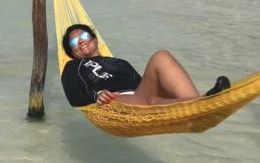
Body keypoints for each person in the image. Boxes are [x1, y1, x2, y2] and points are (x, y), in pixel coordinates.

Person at [61, 23, 230, 107]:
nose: (81, 41)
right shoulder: (73, 67)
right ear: (73, 52)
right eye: (74, 41)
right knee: (150, 100)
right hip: (113, 102)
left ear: (95, 40)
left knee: (161, 56)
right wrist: (95, 96)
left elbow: (141, 84)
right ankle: (201, 103)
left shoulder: (120, 62)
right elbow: (73, 98)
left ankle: (199, 104)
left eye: (83, 35)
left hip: (138, 95)